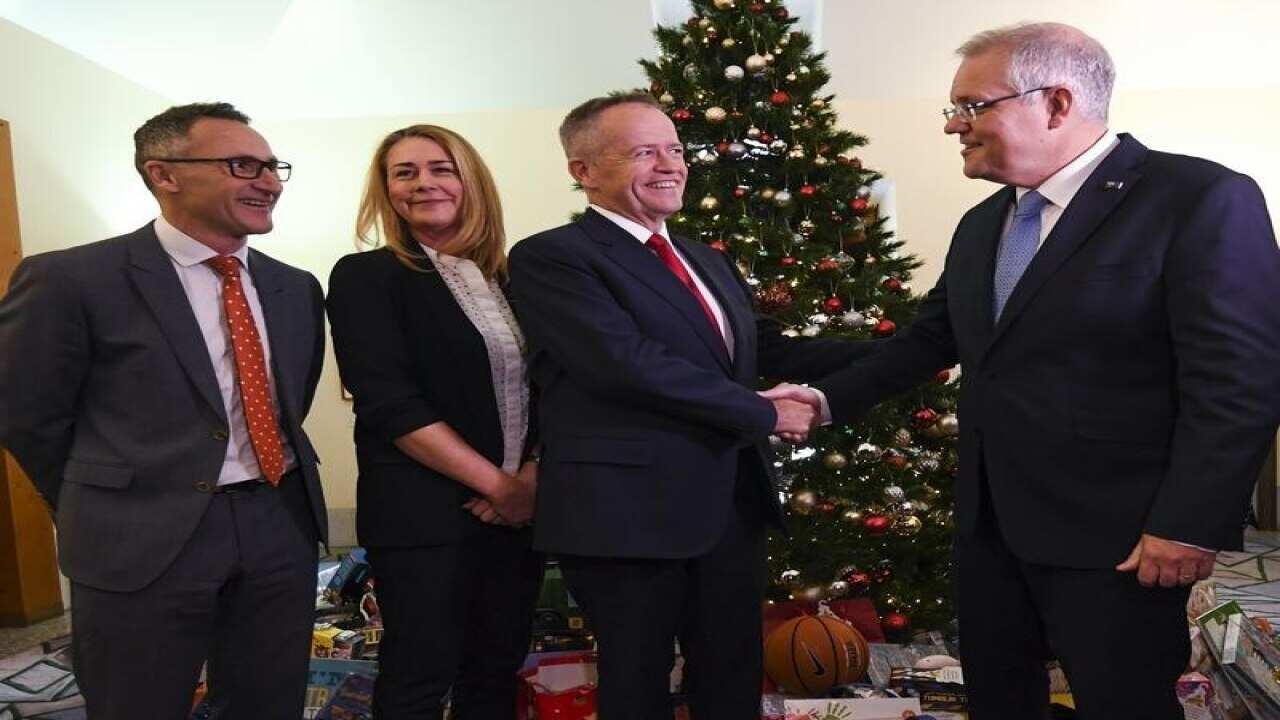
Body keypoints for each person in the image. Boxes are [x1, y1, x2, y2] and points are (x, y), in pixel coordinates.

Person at [769, 22, 1280, 718]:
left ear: (1057, 103)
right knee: (1001, 699)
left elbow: (1238, 381)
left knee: (1122, 702)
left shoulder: (1198, 199)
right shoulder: (983, 224)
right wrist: (821, 402)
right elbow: (927, 341)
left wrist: (1189, 522)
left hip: (1124, 538)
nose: (955, 124)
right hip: (993, 529)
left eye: (973, 105)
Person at [507, 92, 877, 720]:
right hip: (626, 517)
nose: (669, 165)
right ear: (583, 171)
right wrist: (765, 414)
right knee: (637, 683)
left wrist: (898, 353)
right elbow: (625, 364)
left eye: (674, 149)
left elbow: (767, 348)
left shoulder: (706, 259)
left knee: (732, 677)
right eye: (643, 152)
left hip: (729, 504)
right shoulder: (553, 258)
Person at [0, 102, 327, 719]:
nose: (270, 181)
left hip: (277, 523)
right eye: (242, 165)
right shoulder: (71, 279)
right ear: (164, 174)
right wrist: (94, 500)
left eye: (273, 166)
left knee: (268, 702)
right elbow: (27, 416)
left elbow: (292, 402)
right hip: (137, 534)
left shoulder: (296, 286)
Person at [326, 124, 543, 719]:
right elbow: (389, 402)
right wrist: (501, 487)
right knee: (418, 675)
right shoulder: (363, 276)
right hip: (422, 513)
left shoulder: (519, 277)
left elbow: (553, 387)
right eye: (405, 172)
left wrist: (530, 479)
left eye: (440, 168)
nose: (424, 183)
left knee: (497, 669)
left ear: (470, 179)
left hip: (517, 516)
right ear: (386, 190)